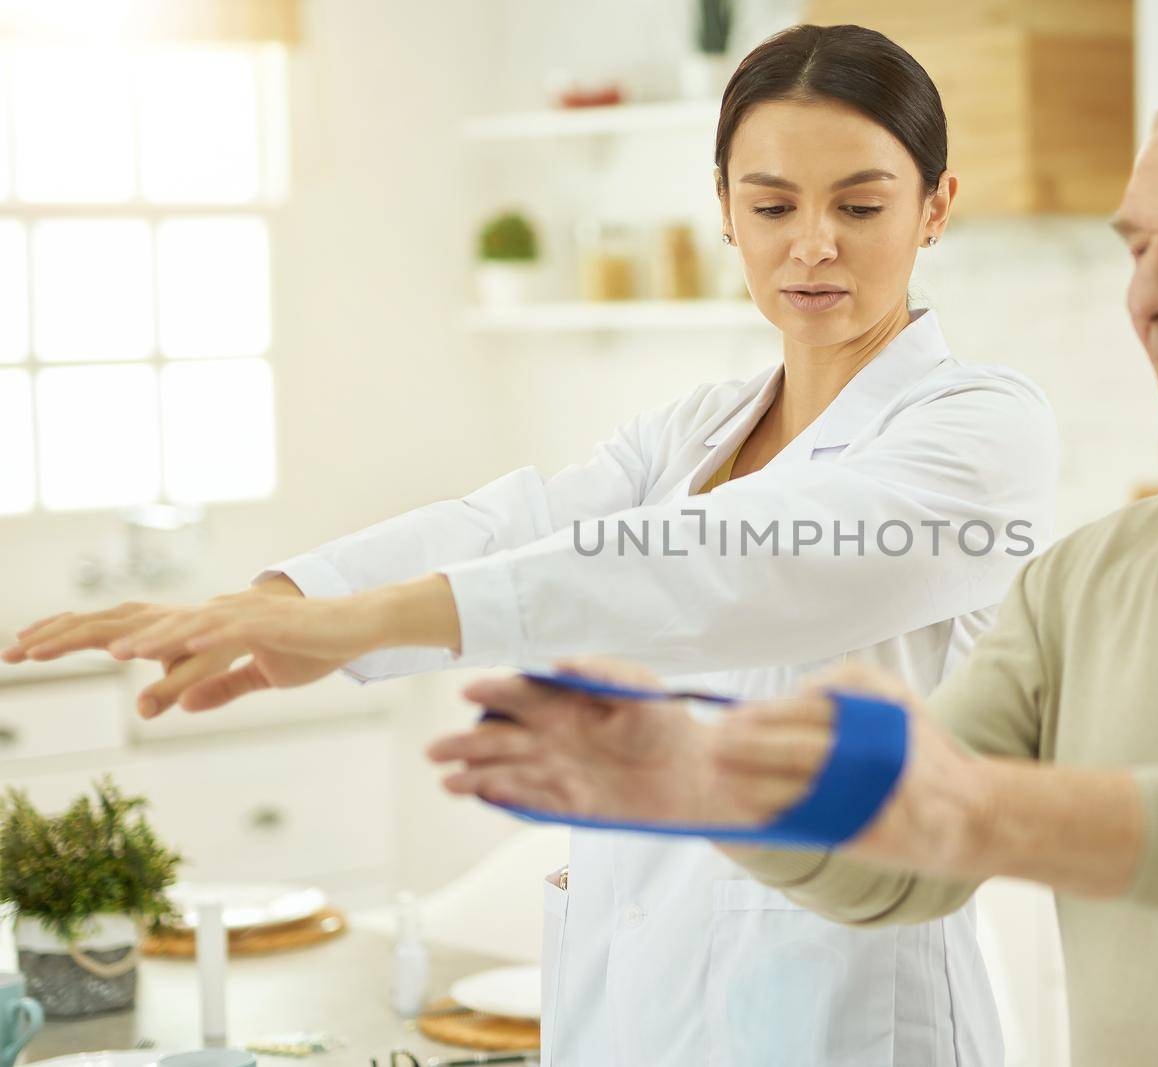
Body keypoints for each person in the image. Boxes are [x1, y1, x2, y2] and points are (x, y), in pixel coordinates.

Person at [428, 68, 1158, 1067]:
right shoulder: (1093, 575)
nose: (1149, 293)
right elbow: (894, 874)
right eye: (1138, 246)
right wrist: (697, 780)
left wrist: (970, 805)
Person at [3, 25, 1059, 1067]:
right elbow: (526, 521)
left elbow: (718, 561)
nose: (812, 242)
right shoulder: (699, 425)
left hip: (843, 1000)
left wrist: (352, 619)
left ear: (935, 208)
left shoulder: (980, 429)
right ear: (724, 212)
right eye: (772, 204)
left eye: (860, 205)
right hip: (629, 992)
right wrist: (288, 595)